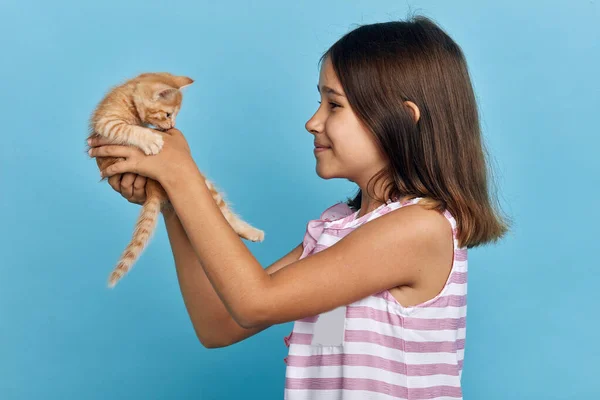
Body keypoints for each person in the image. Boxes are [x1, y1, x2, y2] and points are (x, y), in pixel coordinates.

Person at [88, 14, 510, 400]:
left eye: (334, 104)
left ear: (403, 117)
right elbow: (218, 323)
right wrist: (172, 200)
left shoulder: (419, 229)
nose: (313, 121)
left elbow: (256, 300)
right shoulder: (335, 228)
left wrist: (183, 175)